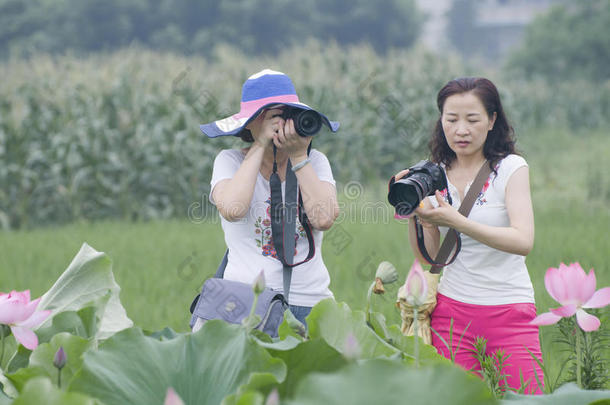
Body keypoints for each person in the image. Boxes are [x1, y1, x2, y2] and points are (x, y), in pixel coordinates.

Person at [394, 77, 543, 394]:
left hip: (510, 312)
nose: (461, 130)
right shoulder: (435, 173)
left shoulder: (510, 168)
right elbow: (430, 258)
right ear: (441, 121)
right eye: (451, 119)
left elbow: (523, 241)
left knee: (528, 400)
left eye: (472, 120)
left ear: (492, 120)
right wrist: (417, 215)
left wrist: (457, 221)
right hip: (452, 314)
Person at [199, 69, 340, 326]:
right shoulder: (229, 161)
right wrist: (261, 143)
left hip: (310, 300)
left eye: (287, 115)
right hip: (245, 301)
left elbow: (324, 218)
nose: (280, 125)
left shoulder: (315, 162)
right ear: (249, 123)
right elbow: (233, 208)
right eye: (272, 116)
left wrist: (298, 156)